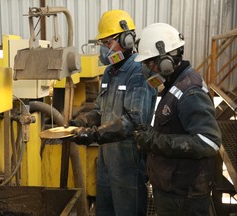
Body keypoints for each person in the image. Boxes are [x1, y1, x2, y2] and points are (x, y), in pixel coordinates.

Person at [70, 10, 157, 216]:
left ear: (127, 40)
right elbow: (101, 109)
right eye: (102, 43)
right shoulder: (109, 72)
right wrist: (82, 121)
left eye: (107, 42)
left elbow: (135, 121)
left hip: (128, 159)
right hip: (107, 158)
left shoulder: (139, 72)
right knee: (106, 210)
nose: (103, 49)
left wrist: (94, 135)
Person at [133, 23, 222, 216]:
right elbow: (177, 127)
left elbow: (209, 142)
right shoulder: (175, 84)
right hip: (174, 189)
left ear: (166, 60)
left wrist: (155, 141)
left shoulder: (190, 92)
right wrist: (153, 134)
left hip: (184, 197)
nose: (146, 70)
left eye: (149, 63)